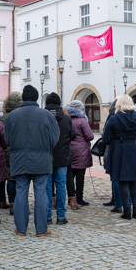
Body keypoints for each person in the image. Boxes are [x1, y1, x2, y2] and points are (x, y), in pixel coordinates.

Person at [4, 85, 60, 237]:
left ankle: (21, 228)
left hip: (19, 158)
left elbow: (7, 139)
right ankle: (41, 229)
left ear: (24, 98)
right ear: (36, 98)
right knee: (41, 192)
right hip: (42, 159)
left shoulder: (12, 116)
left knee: (21, 191)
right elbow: (55, 138)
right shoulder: (47, 115)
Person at [104, 94, 136, 219]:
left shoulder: (114, 118)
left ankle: (126, 211)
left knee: (122, 181)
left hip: (119, 150)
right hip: (135, 150)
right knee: (134, 180)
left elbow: (106, 138)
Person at [44, 93, 75, 225]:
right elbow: (73, 134)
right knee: (61, 185)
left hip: (46, 156)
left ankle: (48, 216)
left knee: (47, 187)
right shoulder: (66, 118)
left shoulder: (43, 116)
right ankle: (61, 216)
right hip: (62, 155)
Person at [65, 100, 94, 208]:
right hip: (81, 151)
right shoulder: (82, 120)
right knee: (80, 176)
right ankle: (79, 198)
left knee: (70, 176)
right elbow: (90, 136)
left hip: (69, 149)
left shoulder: (66, 118)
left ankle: (71, 197)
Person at [0, 92, 22, 215]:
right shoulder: (21, 116)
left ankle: (9, 202)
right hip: (18, 150)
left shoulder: (2, 118)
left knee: (8, 178)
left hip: (5, 150)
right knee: (17, 178)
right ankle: (17, 204)